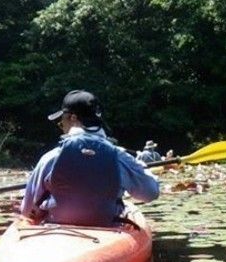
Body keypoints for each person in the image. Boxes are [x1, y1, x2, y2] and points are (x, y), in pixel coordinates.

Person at [21, 90, 160, 226]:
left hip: (57, 228)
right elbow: (151, 193)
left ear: (72, 118)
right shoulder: (120, 157)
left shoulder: (51, 158)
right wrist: (141, 166)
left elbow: (28, 210)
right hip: (107, 229)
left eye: (61, 121)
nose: (61, 126)